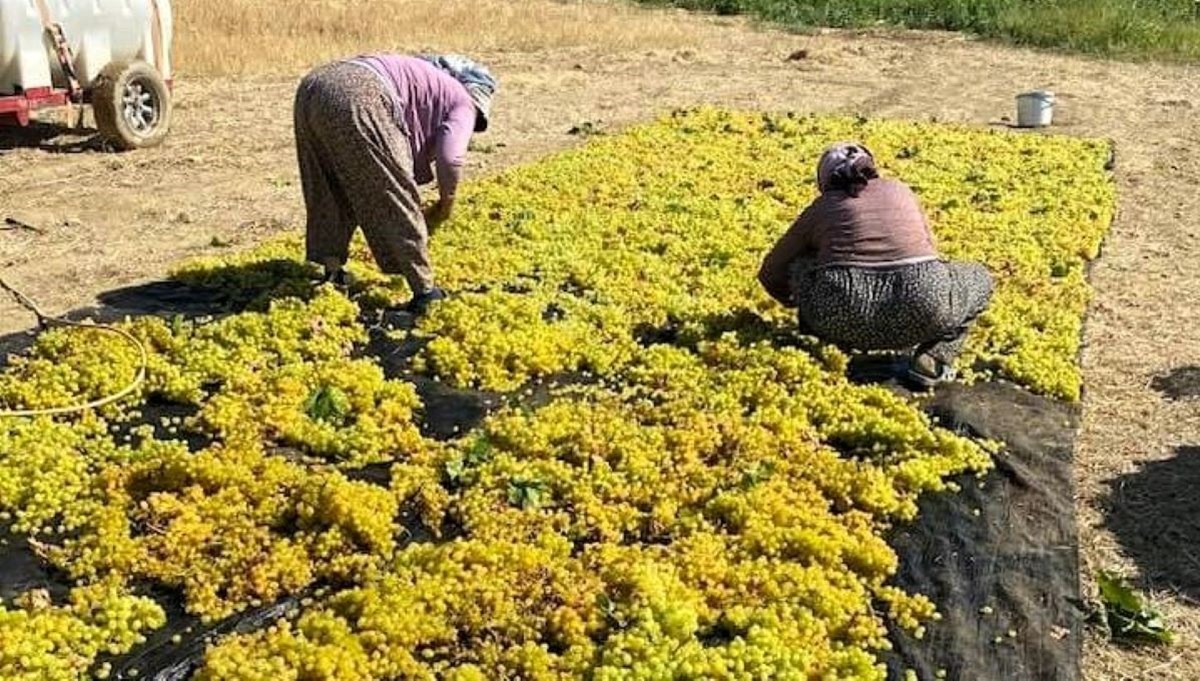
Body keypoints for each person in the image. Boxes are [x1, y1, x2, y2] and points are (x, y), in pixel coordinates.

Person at [757, 142, 994, 388]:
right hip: (922, 306)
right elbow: (931, 251)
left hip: (842, 316)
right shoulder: (900, 190)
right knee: (980, 277)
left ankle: (831, 343)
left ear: (824, 179)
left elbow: (771, 272)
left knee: (803, 262)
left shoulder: (822, 207)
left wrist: (799, 305)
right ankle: (934, 358)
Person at [293, 53, 498, 314]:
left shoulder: (424, 77)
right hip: (360, 93)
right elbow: (451, 158)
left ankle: (332, 270)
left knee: (328, 184)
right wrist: (446, 204)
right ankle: (425, 291)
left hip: (313, 86)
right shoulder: (462, 100)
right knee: (394, 193)